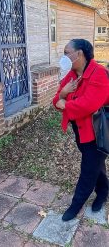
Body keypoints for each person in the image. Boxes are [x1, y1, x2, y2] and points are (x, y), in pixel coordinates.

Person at [53, 39, 109, 221]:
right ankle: (104, 191)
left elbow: (88, 105)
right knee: (95, 166)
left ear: (80, 54)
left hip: (98, 131)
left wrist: (65, 103)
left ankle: (76, 205)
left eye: (67, 52)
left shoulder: (99, 74)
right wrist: (62, 95)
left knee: (87, 170)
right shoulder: (71, 75)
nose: (64, 56)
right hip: (80, 131)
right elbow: (56, 100)